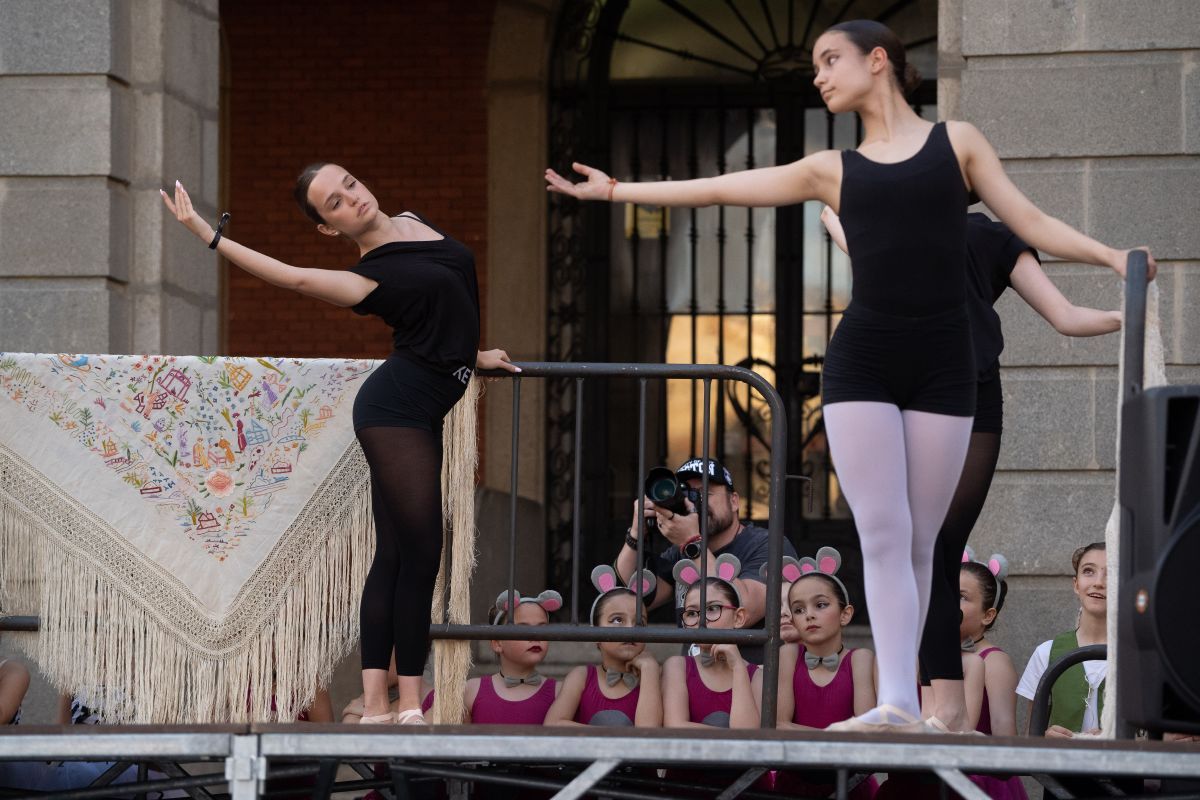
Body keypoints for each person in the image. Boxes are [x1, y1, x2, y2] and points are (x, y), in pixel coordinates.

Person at [547, 18, 1153, 731]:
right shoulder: (832, 168)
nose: (819, 75)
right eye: (816, 64)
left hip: (946, 368)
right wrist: (617, 192)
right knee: (885, 534)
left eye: (831, 59)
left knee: (925, 541)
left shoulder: (956, 144)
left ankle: (923, 697)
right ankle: (897, 700)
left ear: (879, 60)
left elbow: (1031, 218)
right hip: (863, 362)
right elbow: (724, 187)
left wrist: (1113, 259)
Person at [161, 167, 517, 726]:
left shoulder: (415, 221)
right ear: (330, 228)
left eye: (349, 183)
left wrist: (473, 356)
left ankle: (376, 704)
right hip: (395, 412)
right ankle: (405, 703)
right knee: (422, 552)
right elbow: (292, 278)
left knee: (396, 554)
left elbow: (439, 311)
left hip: (420, 405)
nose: (352, 197)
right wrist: (209, 235)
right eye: (335, 203)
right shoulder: (366, 278)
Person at [822, 207, 1121, 733]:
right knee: (914, 552)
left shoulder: (990, 236)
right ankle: (939, 706)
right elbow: (834, 216)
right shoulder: (894, 225)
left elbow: (1066, 316)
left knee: (935, 547)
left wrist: (1129, 315)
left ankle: (948, 709)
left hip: (969, 392)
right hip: (905, 391)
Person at [615, 457, 798, 662]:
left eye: (704, 493)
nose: (695, 502)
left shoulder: (767, 544)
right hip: (694, 676)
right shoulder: (680, 550)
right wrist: (636, 535)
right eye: (687, 494)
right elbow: (624, 603)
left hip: (750, 676)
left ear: (734, 501)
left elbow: (742, 610)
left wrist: (692, 543)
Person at [766, 548, 878, 799]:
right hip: (793, 784)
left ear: (845, 614)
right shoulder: (788, 655)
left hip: (852, 785)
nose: (809, 615)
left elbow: (863, 732)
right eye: (798, 609)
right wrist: (833, 738)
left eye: (820, 605)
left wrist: (806, 735)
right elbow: (779, 725)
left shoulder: (860, 658)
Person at [544, 566, 662, 727]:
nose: (630, 629)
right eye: (617, 620)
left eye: (640, 622)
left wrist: (649, 670)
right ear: (596, 632)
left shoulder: (655, 677)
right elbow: (553, 724)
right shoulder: (582, 676)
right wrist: (613, 736)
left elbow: (648, 734)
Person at [954, 550, 1029, 800]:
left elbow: (1004, 738)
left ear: (988, 615)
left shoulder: (994, 662)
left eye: (961, 597)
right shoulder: (932, 653)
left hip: (981, 783)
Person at [1016, 543, 1107, 738]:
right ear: (1076, 584)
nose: (1099, 582)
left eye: (1111, 573)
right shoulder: (1046, 653)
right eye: (1089, 571)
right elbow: (1030, 737)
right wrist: (1045, 739)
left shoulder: (1142, 657)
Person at [661, 555, 759, 730]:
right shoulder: (677, 666)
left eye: (713, 609)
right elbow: (675, 726)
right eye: (692, 613)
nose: (701, 621)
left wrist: (738, 667)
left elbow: (747, 735)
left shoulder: (757, 676)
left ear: (738, 617)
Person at [463, 590, 561, 725]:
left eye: (542, 629)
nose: (535, 636)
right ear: (497, 643)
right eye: (523, 629)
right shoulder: (472, 690)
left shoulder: (560, 693)